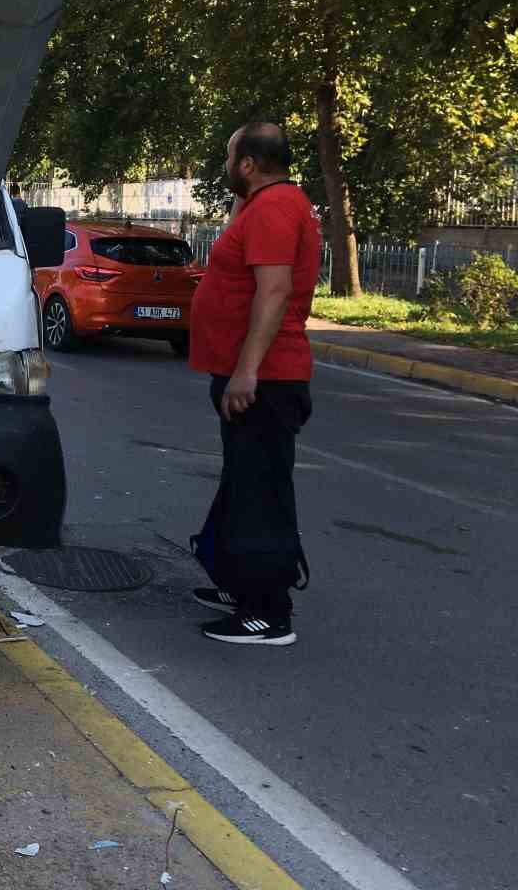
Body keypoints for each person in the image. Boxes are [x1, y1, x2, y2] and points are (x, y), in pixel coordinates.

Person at [187, 122, 321, 646]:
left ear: (246, 164)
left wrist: (247, 371)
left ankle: (267, 612)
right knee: (243, 485)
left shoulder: (275, 208)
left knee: (261, 492)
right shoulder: (262, 205)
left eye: (228, 157)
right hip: (252, 375)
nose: (224, 166)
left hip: (266, 378)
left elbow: (274, 291)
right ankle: (238, 582)